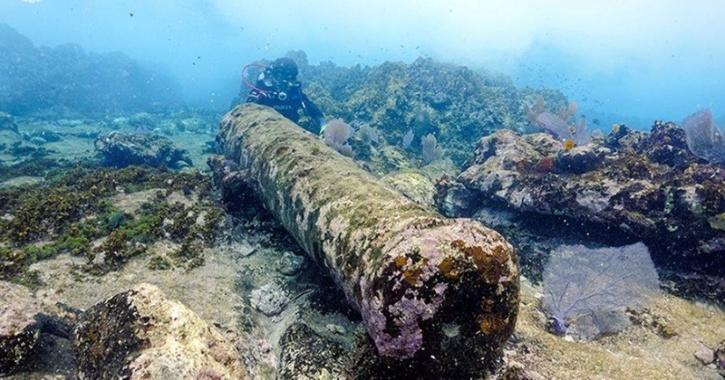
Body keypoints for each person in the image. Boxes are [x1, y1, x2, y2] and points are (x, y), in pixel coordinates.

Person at [245, 57, 325, 134]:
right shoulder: (262, 90)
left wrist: (324, 126)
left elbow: (315, 111)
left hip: (291, 130)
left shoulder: (294, 92)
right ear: (274, 77)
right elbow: (247, 113)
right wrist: (253, 103)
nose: (287, 83)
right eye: (284, 79)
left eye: (291, 79)